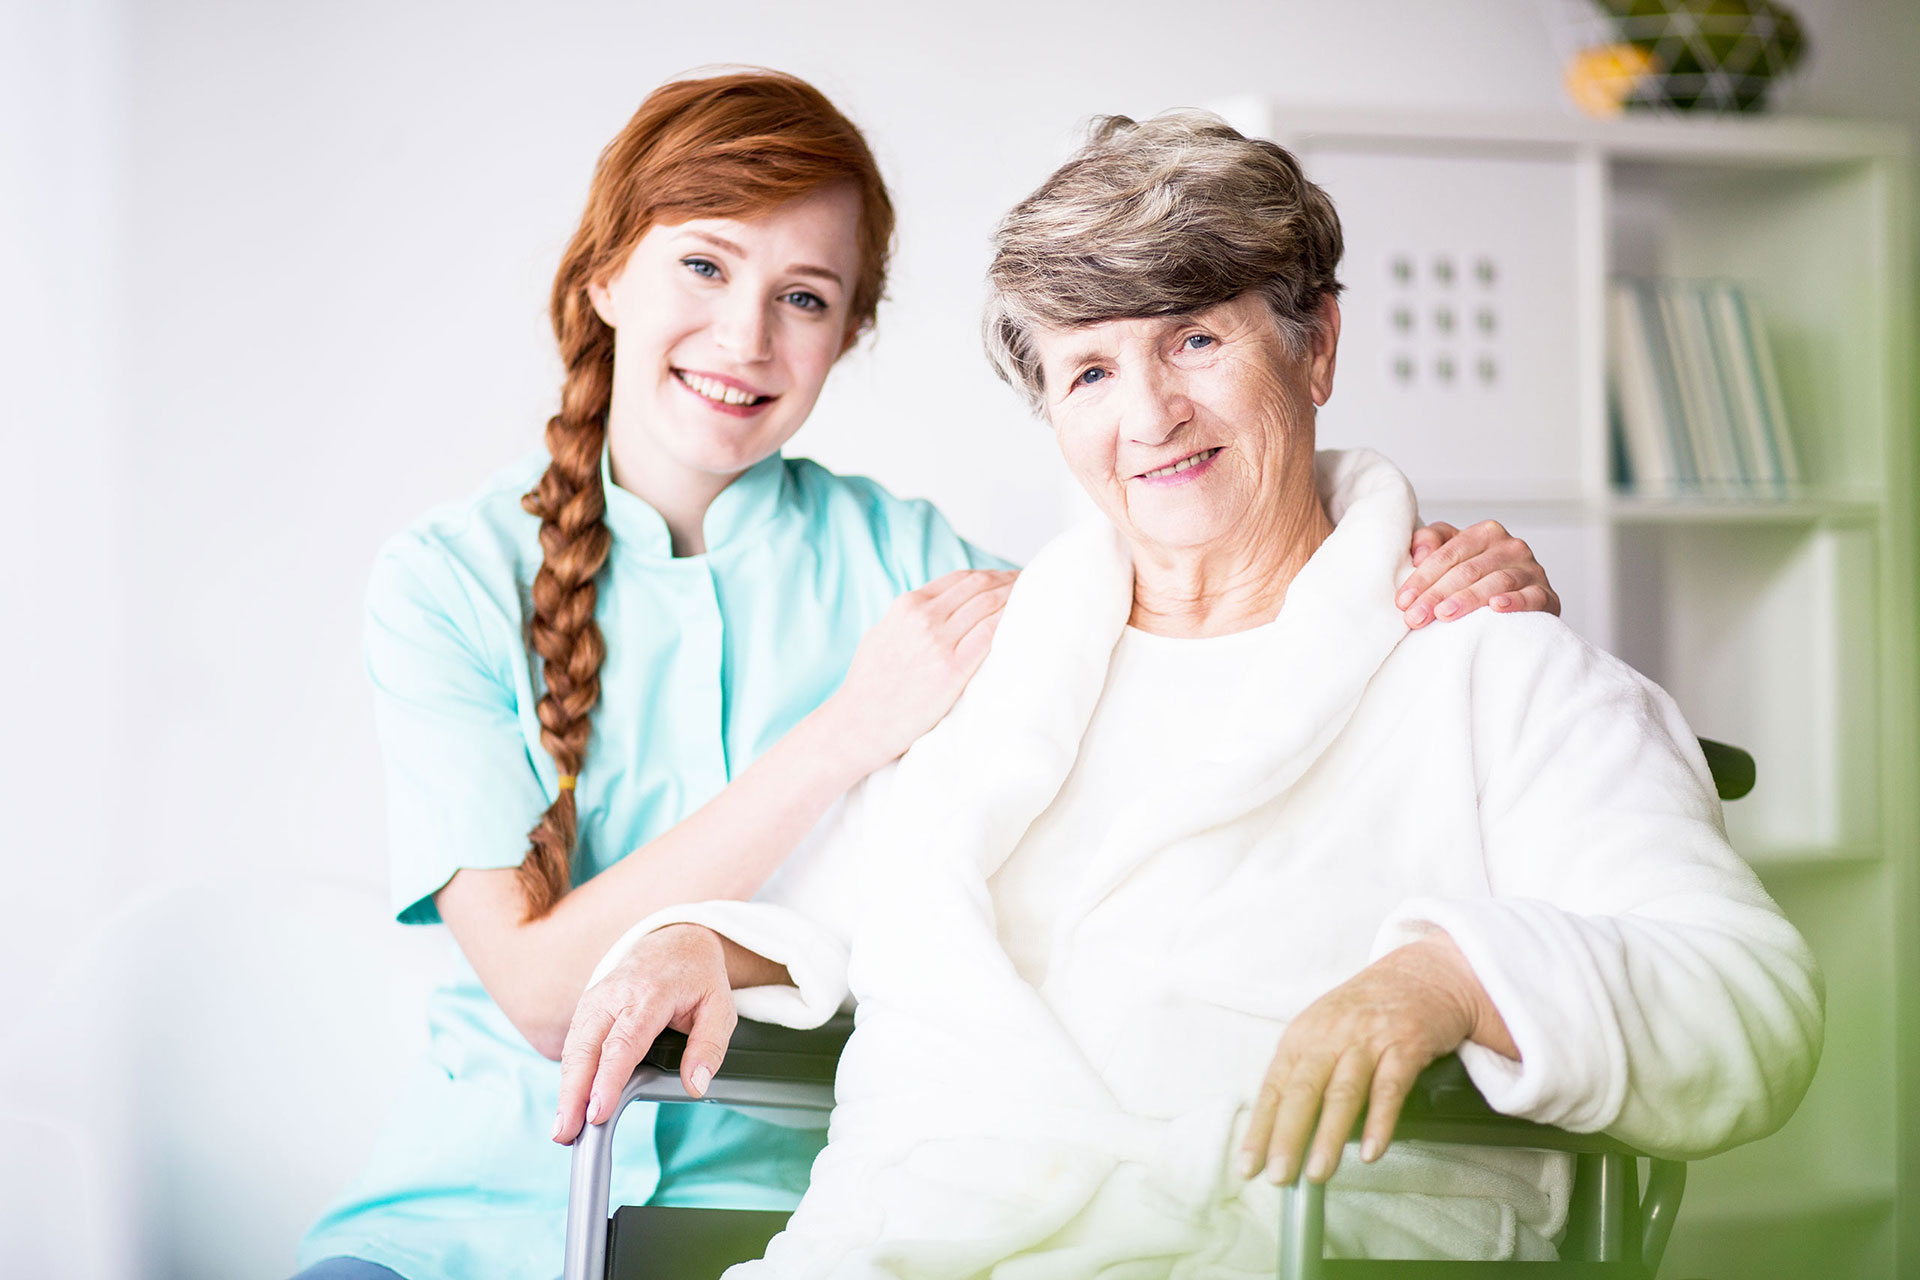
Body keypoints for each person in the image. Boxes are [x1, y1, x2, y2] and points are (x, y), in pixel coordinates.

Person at [296, 74, 1562, 1280]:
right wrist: (851, 728)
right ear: (606, 273)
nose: (745, 334)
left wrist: (1423, 566)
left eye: (805, 296)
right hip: (469, 1223)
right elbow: (536, 991)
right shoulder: (444, 582)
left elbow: (1194, 587)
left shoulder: (913, 562)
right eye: (702, 264)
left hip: (793, 1215)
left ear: (850, 333)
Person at [559, 111, 1822, 1273]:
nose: (1151, 412)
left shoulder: (1491, 664)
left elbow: (1749, 999)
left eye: (1197, 339)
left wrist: (1453, 980)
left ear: (1315, 344)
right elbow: (839, 907)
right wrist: (697, 940)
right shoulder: (998, 672)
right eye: (1091, 372)